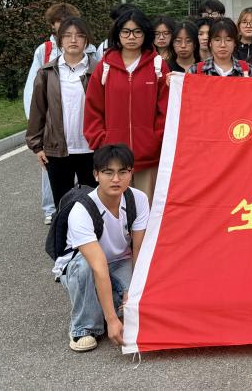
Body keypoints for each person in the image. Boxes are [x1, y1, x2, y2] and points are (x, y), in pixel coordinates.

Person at [52, 144, 150, 352]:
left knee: (135, 306)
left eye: (123, 172)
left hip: (120, 260)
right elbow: (98, 266)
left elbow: (139, 250)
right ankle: (83, 327)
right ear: (96, 174)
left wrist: (134, 290)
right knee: (85, 269)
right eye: (108, 172)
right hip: (83, 264)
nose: (116, 179)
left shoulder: (138, 199)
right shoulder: (82, 210)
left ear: (131, 173)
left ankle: (101, 303)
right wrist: (112, 320)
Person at [83, 9, 168, 203]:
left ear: (145, 34)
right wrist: (102, 141)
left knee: (147, 208)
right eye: (126, 32)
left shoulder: (157, 65)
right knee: (117, 210)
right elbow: (92, 108)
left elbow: (166, 109)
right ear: (118, 33)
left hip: (149, 157)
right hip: (113, 160)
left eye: (137, 32)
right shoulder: (105, 66)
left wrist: (156, 139)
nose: (131, 37)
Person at [23, 2, 89, 224]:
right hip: (56, 143)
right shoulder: (46, 67)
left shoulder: (96, 68)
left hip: (89, 146)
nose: (73, 40)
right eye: (67, 35)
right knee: (62, 202)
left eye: (78, 35)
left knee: (91, 202)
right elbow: (37, 105)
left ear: (86, 40)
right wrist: (37, 143)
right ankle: (59, 232)